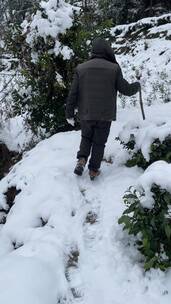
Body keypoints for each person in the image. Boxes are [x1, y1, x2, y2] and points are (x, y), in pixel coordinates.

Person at [66, 37, 140, 180]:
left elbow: (73, 93)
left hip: (86, 112)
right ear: (107, 50)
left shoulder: (81, 68)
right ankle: (93, 170)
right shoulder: (114, 68)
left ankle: (81, 160)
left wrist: (69, 112)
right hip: (105, 114)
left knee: (86, 137)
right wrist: (137, 86)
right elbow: (126, 89)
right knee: (99, 142)